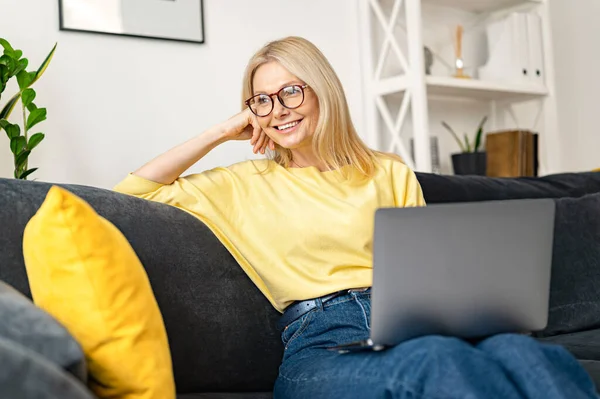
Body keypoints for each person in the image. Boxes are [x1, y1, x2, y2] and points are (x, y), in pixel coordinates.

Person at [113, 36, 598, 399]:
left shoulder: (387, 171)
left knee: (525, 353)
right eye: (262, 100)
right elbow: (130, 192)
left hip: (409, 326)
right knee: (438, 360)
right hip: (325, 344)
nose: (277, 110)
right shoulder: (240, 183)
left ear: (323, 91)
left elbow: (430, 277)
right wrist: (221, 131)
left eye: (291, 93)